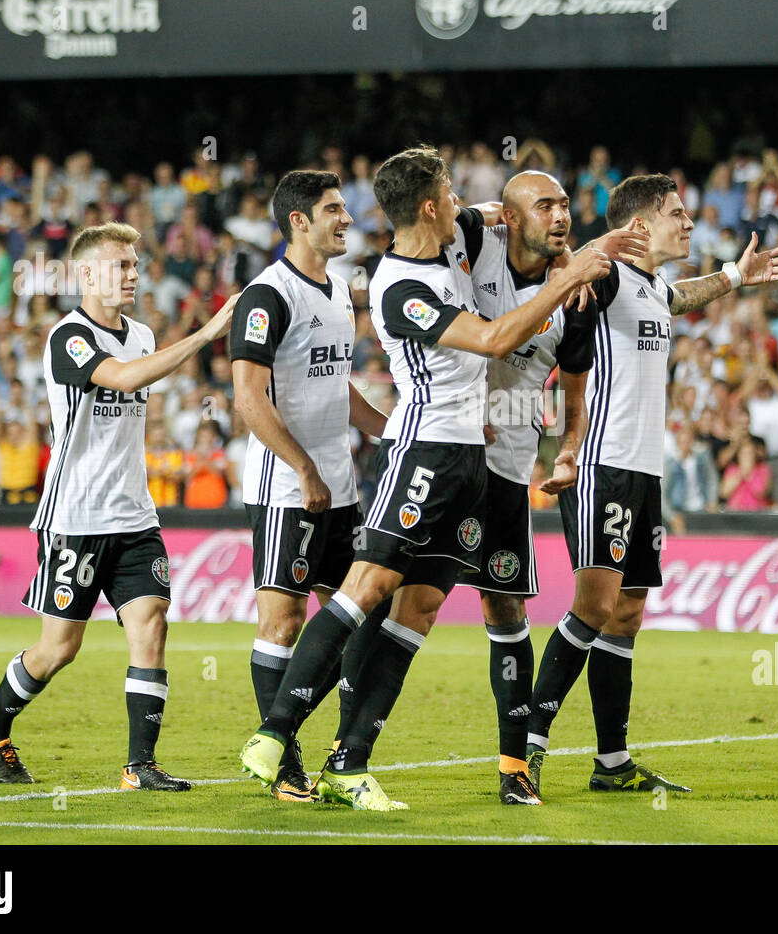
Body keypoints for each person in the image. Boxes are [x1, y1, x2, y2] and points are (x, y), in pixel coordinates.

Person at [240, 146, 612, 810]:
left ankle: (348, 765)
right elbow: (495, 340)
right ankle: (273, 734)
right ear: (433, 206)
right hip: (422, 451)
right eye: (450, 191)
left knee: (417, 611)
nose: (464, 202)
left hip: (470, 458)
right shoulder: (402, 285)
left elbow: (490, 214)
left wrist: (554, 249)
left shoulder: (461, 242)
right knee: (367, 589)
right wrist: (566, 274)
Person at [526, 173, 778, 797]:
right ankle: (526, 754)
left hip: (645, 471)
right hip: (603, 462)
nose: (689, 222)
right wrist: (604, 243)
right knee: (593, 607)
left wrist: (733, 277)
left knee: (627, 614)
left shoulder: (649, 287)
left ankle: (612, 762)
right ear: (641, 226)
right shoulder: (611, 275)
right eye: (677, 213)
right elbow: (580, 264)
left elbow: (678, 298)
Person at [0, 222, 238, 790]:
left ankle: (139, 766)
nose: (133, 275)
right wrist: (206, 332)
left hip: (135, 514)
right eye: (122, 266)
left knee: (152, 624)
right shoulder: (68, 336)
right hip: (75, 517)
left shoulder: (141, 333)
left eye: (136, 266)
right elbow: (123, 376)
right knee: (59, 648)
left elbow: (142, 379)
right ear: (88, 274)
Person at [454, 170, 643, 805]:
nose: (561, 215)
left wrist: (565, 453)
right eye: (545, 205)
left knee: (505, 611)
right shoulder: (472, 244)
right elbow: (423, 222)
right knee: (393, 599)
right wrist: (484, 211)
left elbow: (573, 396)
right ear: (510, 216)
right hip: (441, 457)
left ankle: (515, 767)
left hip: (506, 470)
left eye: (565, 205)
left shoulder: (577, 299)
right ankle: (341, 756)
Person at [229, 169, 390, 803]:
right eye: (333, 210)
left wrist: (387, 429)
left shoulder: (336, 291)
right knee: (284, 618)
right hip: (285, 486)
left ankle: (304, 743)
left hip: (339, 486)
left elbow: (335, 384)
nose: (346, 219)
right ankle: (285, 761)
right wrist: (301, 467)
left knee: (358, 612)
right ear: (299, 220)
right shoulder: (266, 296)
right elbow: (247, 397)